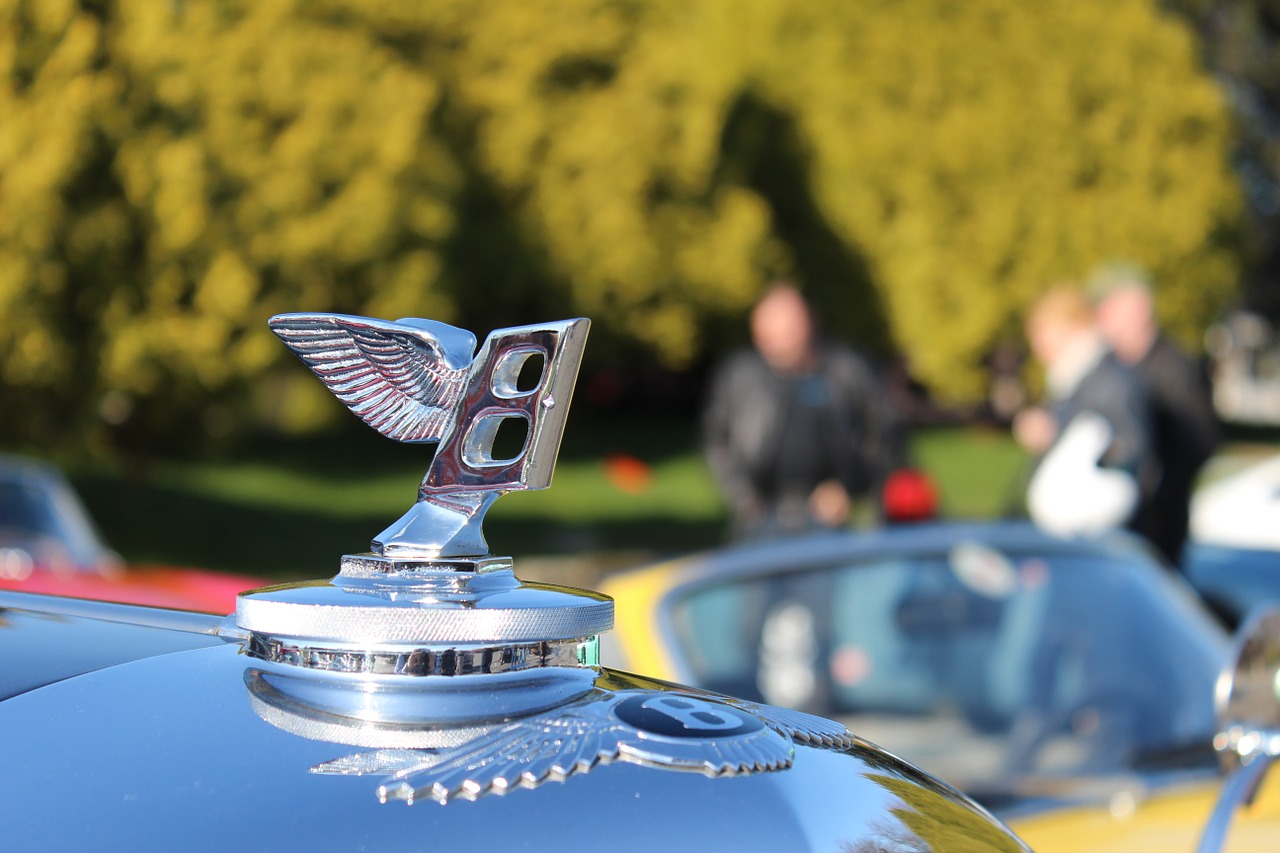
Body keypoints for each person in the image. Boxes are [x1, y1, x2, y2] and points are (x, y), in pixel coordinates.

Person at [702, 282, 896, 538]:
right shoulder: (740, 378)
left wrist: (848, 486)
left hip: (829, 519)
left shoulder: (846, 371)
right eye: (775, 330)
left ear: (809, 324)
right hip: (761, 518)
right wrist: (746, 502)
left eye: (792, 327)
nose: (786, 338)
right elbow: (717, 443)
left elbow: (883, 434)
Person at [1091, 264, 1220, 564]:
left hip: (1159, 523)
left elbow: (1200, 441)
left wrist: (1155, 487)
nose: (1102, 316)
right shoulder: (1109, 366)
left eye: (1111, 306)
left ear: (1138, 307)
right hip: (1110, 517)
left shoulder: (1175, 367)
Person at [1014, 286, 1158, 538]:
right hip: (1074, 529)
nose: (1037, 344)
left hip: (1096, 529)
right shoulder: (1071, 378)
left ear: (1074, 326)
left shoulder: (1107, 380)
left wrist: (1059, 436)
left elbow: (1131, 447)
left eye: (1044, 331)